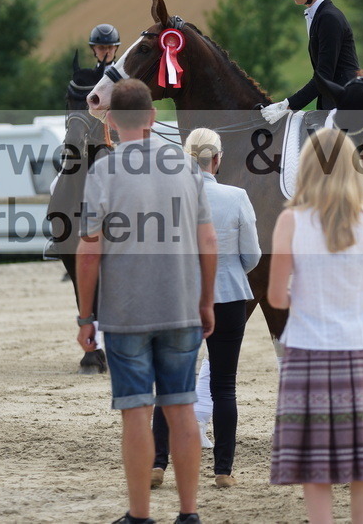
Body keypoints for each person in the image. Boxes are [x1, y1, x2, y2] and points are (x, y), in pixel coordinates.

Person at [75, 79, 217, 524]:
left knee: (136, 413)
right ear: (154, 118)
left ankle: (139, 515)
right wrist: (207, 301)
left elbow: (89, 249)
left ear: (112, 122)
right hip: (181, 306)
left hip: (126, 311)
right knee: (181, 408)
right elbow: (208, 241)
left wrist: (85, 315)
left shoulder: (103, 171)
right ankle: (189, 512)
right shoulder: (188, 168)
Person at [267, 128, 363, 524]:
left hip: (307, 351)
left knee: (316, 467)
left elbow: (277, 297)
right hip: (358, 348)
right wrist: (354, 288)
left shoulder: (290, 222)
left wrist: (315, 293)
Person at [152, 128, 261, 490]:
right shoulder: (237, 196)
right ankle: (223, 470)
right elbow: (253, 255)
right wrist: (229, 271)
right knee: (224, 386)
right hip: (228, 295)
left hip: (179, 295)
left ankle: (158, 463)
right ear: (217, 159)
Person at [261, 0, 359, 124]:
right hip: (331, 103)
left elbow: (323, 76)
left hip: (346, 106)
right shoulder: (318, 15)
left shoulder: (329, 18)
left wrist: (288, 105)